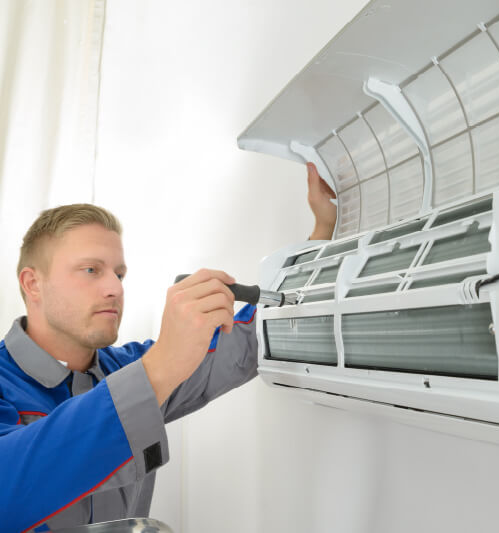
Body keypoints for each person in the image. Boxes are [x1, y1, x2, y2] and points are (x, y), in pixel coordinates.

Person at [0, 163, 336, 532]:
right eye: (91, 270)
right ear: (32, 284)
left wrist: (322, 233)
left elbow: (253, 336)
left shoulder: (127, 368)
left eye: (119, 274)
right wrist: (159, 367)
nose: (115, 288)